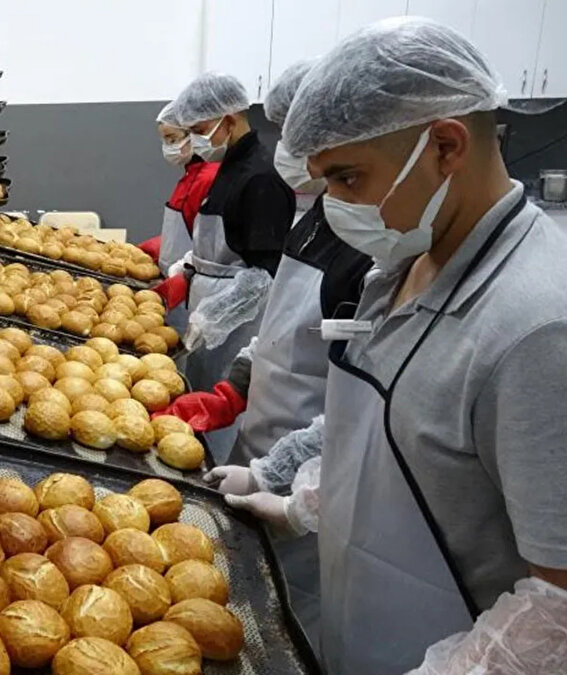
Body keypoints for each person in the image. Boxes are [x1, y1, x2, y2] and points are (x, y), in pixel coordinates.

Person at [266, 17, 567, 675]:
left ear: (447, 145)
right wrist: (294, 497)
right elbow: (395, 427)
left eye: (349, 180)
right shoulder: (404, 263)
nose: (337, 207)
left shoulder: (545, 328)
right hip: (368, 637)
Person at [152, 59, 371, 653]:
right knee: (240, 598)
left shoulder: (375, 247)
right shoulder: (320, 218)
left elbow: (366, 403)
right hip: (267, 441)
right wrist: (235, 389)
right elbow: (280, 322)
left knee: (288, 623)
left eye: (337, 165)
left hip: (315, 483)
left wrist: (292, 487)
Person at [157, 72, 294, 422]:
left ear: (229, 120)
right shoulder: (228, 170)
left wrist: (214, 315)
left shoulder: (261, 177)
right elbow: (214, 245)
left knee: (216, 417)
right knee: (196, 397)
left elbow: (265, 276)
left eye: (200, 131)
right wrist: (187, 273)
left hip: (235, 327)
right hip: (208, 314)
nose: (197, 140)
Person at [138, 103, 220, 331]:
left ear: (194, 134)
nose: (168, 147)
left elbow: (210, 243)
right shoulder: (190, 176)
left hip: (190, 290)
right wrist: (159, 246)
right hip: (172, 281)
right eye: (165, 140)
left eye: (172, 139)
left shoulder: (209, 178)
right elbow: (186, 226)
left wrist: (181, 273)